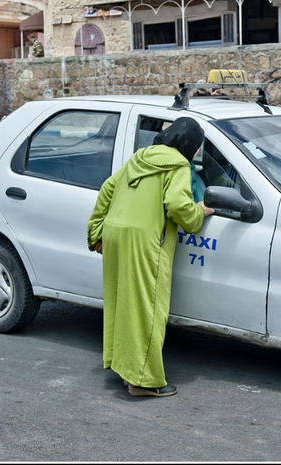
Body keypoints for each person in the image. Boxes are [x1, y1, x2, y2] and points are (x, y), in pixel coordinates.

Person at [87, 117, 214, 398]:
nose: (195, 153)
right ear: (188, 144)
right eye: (196, 147)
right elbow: (178, 205)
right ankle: (143, 381)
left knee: (121, 304)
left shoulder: (140, 157)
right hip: (146, 240)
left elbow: (108, 187)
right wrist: (199, 214)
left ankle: (124, 368)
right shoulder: (178, 165)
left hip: (116, 233)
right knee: (147, 309)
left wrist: (96, 230)